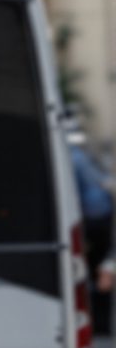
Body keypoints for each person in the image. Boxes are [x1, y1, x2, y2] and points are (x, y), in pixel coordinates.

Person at [72, 138, 113, 337]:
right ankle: (102, 324)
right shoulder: (81, 156)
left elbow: (75, 197)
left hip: (91, 221)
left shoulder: (71, 158)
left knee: (86, 270)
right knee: (102, 270)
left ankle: (95, 322)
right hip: (103, 217)